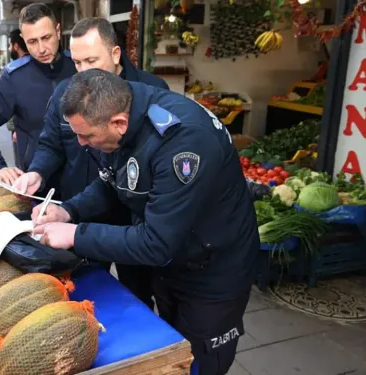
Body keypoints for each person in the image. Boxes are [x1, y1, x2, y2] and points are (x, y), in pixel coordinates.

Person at [31, 69, 260, 375]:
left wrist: (76, 234)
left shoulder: (183, 141)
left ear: (118, 123)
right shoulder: (123, 113)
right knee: (170, 355)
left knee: (200, 362)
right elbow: (112, 184)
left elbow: (156, 243)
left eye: (86, 135)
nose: (81, 143)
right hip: (175, 263)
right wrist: (68, 211)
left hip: (214, 274)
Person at [13, 17, 169, 309]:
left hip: (130, 222)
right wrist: (37, 171)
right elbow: (50, 144)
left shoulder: (150, 90)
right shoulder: (66, 95)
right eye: (78, 62)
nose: (84, 71)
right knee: (81, 291)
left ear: (115, 54)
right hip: (78, 212)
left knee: (135, 297)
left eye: (92, 60)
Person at [0, 3, 77, 185]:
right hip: (37, 184)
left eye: (46, 37)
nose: (41, 49)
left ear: (58, 31)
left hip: (85, 183)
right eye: (32, 42)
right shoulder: (14, 78)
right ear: (23, 40)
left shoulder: (79, 67)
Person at [5, 28, 30, 167]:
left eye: (10, 45)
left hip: (22, 129)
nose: (10, 48)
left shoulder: (14, 70)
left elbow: (16, 102)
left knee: (22, 166)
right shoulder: (40, 66)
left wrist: (16, 128)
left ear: (16, 46)